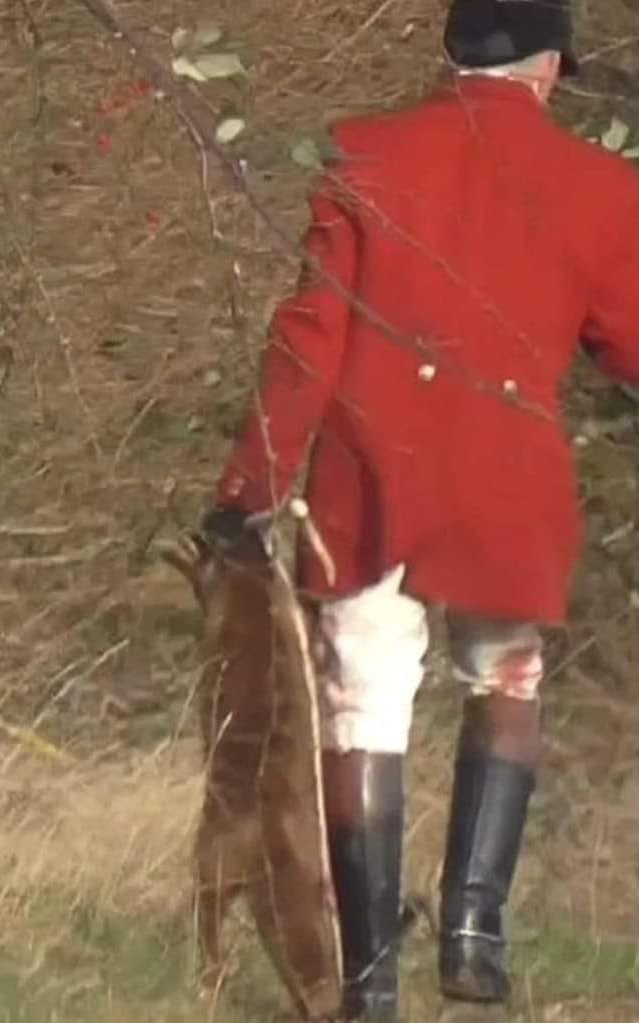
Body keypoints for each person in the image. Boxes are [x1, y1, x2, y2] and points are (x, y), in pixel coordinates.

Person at [200, 0, 639, 1019]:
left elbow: (308, 337)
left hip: (368, 482)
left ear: (450, 57)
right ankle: (473, 932)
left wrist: (250, 490)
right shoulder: (600, 188)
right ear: (547, 65)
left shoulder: (367, 157)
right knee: (506, 682)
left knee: (363, 712)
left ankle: (366, 982)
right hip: (504, 488)